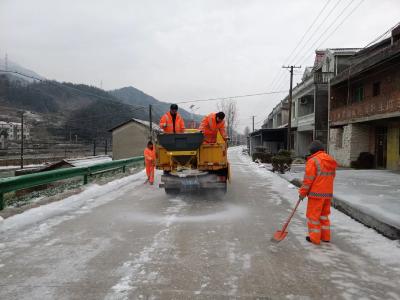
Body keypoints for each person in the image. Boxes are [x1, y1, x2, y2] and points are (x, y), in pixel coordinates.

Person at [299, 140, 337, 245]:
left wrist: (302, 193)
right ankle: (325, 237)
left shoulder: (313, 161)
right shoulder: (330, 160)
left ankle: (314, 238)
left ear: (312, 151)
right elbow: (332, 176)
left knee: (313, 217)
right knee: (324, 216)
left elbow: (308, 180)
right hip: (327, 193)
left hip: (316, 194)